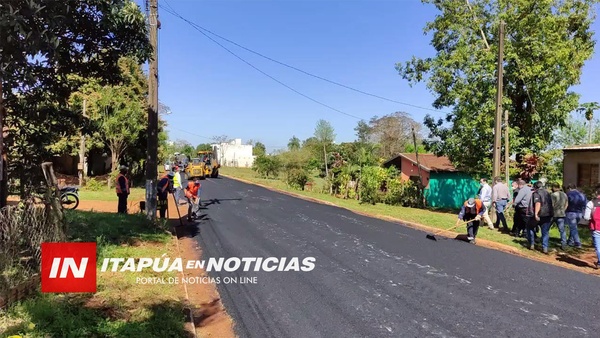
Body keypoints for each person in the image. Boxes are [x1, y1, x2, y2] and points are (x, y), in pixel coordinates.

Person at [531, 181, 554, 253]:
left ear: (535, 187)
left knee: (530, 227)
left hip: (540, 214)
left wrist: (536, 214)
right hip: (548, 214)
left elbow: (538, 203)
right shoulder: (547, 193)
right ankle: (545, 247)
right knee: (545, 231)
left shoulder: (536, 193)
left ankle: (532, 243)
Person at [583, 186, 600, 270]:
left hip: (596, 227)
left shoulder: (591, 203)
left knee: (598, 246)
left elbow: (586, 217)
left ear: (597, 193)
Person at [565, 184, 586, 249]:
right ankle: (570, 241)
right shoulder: (582, 195)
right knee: (574, 227)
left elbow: (566, 203)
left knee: (573, 228)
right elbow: (585, 205)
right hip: (579, 213)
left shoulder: (568, 194)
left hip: (571, 213)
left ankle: (577, 242)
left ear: (570, 188)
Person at [550, 183, 569, 251]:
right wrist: (563, 210)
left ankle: (544, 241)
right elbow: (567, 204)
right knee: (562, 230)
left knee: (546, 228)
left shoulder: (553, 195)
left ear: (554, 187)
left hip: (554, 214)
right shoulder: (564, 194)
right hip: (561, 214)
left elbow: (551, 205)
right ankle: (564, 244)